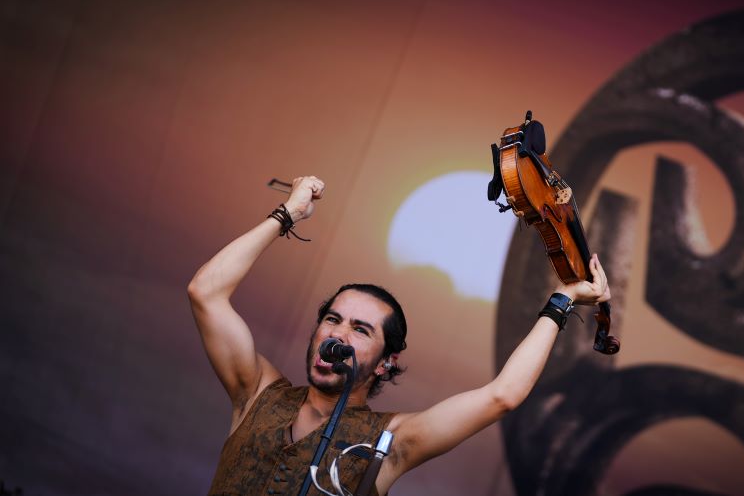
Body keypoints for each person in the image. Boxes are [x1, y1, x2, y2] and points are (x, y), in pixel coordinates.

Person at [187, 175, 612, 495]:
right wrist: (288, 214)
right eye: (332, 319)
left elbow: (502, 396)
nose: (338, 334)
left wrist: (563, 299)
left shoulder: (391, 441)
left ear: (385, 362)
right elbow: (205, 292)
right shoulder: (256, 391)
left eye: (360, 329)